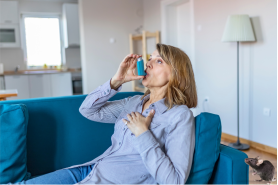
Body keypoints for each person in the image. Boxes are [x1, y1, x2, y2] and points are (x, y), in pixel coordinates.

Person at [4, 43, 197, 185]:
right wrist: (117, 80)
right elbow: (87, 110)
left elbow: (174, 181)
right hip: (91, 169)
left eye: (159, 60)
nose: (148, 64)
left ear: (176, 74)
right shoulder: (134, 101)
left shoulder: (179, 115)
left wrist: (143, 134)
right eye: (149, 59)